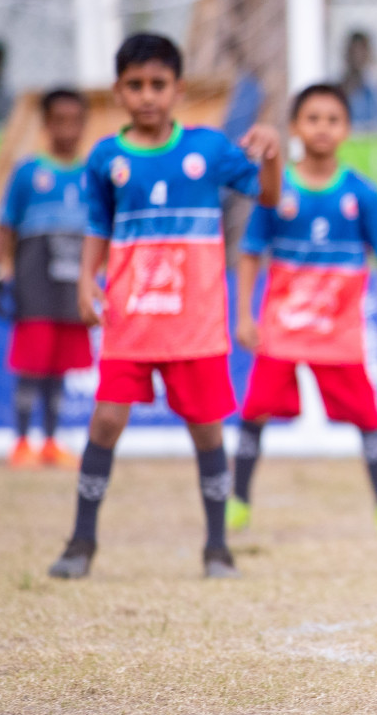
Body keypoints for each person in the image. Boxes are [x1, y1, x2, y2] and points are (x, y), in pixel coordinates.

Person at [46, 33, 282, 581]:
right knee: (105, 421)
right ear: (118, 91)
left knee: (206, 429)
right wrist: (87, 279)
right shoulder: (107, 157)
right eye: (135, 85)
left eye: (158, 84)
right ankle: (81, 543)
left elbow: (268, 197)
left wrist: (272, 154)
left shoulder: (210, 150)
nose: (147, 95)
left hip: (195, 324)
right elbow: (98, 226)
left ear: (178, 89)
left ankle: (217, 548)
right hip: (130, 318)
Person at [230, 83, 377, 537]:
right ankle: (237, 502)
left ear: (346, 129)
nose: (322, 128)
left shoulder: (363, 194)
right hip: (282, 328)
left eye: (332, 119)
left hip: (339, 332)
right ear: (295, 127)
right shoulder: (275, 192)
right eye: (312, 118)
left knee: (368, 418)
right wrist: (243, 314)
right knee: (254, 410)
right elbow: (251, 251)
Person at [0, 88, 92, 469]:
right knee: (32, 365)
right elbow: (5, 224)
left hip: (72, 286)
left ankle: (50, 441)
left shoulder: (90, 175)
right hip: (34, 285)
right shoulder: (28, 172)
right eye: (59, 120)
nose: (67, 129)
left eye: (75, 120)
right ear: (46, 124)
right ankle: (20, 442)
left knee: (59, 368)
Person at [340, 31, 377, 131]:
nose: (357, 56)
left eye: (362, 51)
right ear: (346, 54)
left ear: (369, 54)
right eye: (354, 51)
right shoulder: (336, 91)